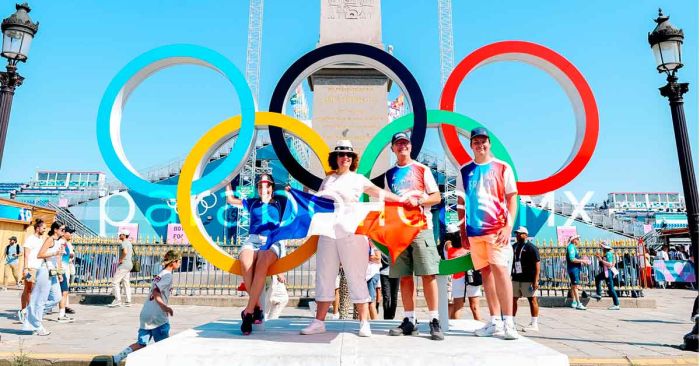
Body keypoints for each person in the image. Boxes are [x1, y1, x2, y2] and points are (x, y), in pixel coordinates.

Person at [300, 140, 406, 337]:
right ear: (336, 158)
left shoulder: (358, 179)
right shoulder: (328, 180)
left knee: (357, 275)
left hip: (353, 233)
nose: (345, 158)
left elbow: (379, 193)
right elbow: (316, 202)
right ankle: (319, 321)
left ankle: (364, 322)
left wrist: (402, 200)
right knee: (324, 275)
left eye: (348, 154)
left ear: (353, 159)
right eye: (341, 154)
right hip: (328, 232)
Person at [457, 127, 519, 340]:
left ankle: (509, 322)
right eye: (476, 142)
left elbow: (512, 197)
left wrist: (508, 226)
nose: (480, 145)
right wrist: (462, 231)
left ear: (489, 143)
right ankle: (494, 321)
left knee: (501, 271)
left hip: (497, 230)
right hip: (474, 232)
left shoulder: (502, 167)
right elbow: (461, 202)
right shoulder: (464, 170)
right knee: (485, 274)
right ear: (471, 145)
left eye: (483, 141)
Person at [385, 132, 444, 341]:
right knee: (405, 276)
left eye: (405, 143)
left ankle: (434, 320)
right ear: (393, 148)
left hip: (421, 228)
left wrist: (418, 202)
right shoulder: (389, 174)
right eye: (398, 144)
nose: (402, 147)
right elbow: (387, 203)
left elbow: (436, 197)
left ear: (410, 147)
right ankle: (410, 319)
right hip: (399, 231)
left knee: (428, 274)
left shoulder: (422, 169)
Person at [225, 173, 287, 335]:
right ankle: (256, 308)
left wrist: (301, 186)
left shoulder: (280, 202)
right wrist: (227, 183)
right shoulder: (252, 203)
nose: (263, 188)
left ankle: (248, 313)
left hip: (273, 239)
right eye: (260, 185)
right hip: (253, 239)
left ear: (272, 188)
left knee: (261, 265)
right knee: (245, 263)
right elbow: (231, 200)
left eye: (266, 185)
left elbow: (301, 202)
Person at [112, 250, 182, 364]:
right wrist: (164, 306)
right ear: (173, 262)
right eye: (179, 261)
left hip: (146, 313)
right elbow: (156, 291)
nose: (179, 263)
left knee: (141, 343)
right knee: (165, 345)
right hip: (157, 316)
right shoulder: (168, 276)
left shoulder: (160, 274)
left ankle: (117, 358)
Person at [22, 221, 65, 336]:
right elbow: (40, 255)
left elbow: (58, 258)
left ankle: (30, 313)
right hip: (45, 271)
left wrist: (60, 272)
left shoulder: (59, 241)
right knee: (39, 299)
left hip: (53, 272)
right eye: (62, 230)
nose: (64, 232)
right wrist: (54, 252)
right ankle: (37, 325)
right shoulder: (50, 239)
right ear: (55, 230)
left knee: (57, 297)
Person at [444, 224, 482, 321]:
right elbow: (451, 244)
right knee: (462, 307)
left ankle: (478, 324)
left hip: (467, 277)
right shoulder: (449, 245)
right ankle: (455, 326)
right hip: (462, 277)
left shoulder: (463, 243)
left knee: (471, 307)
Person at [511, 226, 541, 332]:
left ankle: (534, 323)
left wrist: (536, 280)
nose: (517, 235)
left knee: (532, 299)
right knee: (513, 299)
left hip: (528, 278)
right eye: (517, 233)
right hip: (516, 278)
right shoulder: (514, 246)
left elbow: (537, 264)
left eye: (520, 233)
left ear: (526, 235)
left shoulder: (531, 247)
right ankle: (512, 322)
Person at [18, 218, 46, 323]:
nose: (44, 230)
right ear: (37, 228)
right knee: (29, 289)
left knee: (31, 290)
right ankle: (25, 310)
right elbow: (26, 254)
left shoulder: (41, 240)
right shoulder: (30, 239)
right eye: (43, 228)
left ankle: (26, 310)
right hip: (30, 268)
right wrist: (25, 269)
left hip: (39, 268)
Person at [591, 241, 620, 310]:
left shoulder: (608, 254)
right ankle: (598, 294)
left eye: (602, 247)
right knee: (597, 278)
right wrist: (600, 258)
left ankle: (616, 304)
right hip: (606, 272)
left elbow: (609, 264)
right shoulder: (607, 253)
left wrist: (601, 260)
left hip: (608, 272)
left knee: (611, 289)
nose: (601, 248)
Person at [54, 227, 76, 322]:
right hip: (61, 270)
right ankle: (29, 311)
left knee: (64, 292)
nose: (71, 235)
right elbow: (58, 257)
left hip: (64, 269)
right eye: (69, 233)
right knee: (60, 293)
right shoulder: (61, 243)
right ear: (64, 233)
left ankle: (62, 314)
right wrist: (60, 272)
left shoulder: (66, 243)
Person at [108, 229, 133, 307]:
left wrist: (120, 259)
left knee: (115, 282)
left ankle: (118, 300)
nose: (119, 236)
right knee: (126, 283)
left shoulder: (124, 243)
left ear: (124, 235)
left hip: (123, 265)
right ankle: (128, 301)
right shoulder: (129, 243)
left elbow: (125, 252)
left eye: (120, 235)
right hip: (129, 264)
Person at [566, 235, 590, 310]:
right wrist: (583, 261)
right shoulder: (571, 247)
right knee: (575, 286)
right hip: (573, 269)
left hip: (574, 269)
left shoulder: (573, 247)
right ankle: (578, 303)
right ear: (573, 240)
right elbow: (572, 259)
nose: (578, 240)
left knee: (573, 286)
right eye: (577, 239)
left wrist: (581, 260)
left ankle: (574, 302)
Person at [379, 252, 399, 320]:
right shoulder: (382, 246)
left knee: (394, 296)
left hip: (396, 273)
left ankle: (392, 316)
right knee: (386, 296)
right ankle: (386, 317)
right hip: (384, 273)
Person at [366, 243, 381, 320]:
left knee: (370, 301)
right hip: (366, 275)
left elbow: (378, 258)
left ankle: (375, 323)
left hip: (371, 275)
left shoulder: (374, 243)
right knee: (366, 302)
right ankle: (367, 322)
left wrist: (367, 257)